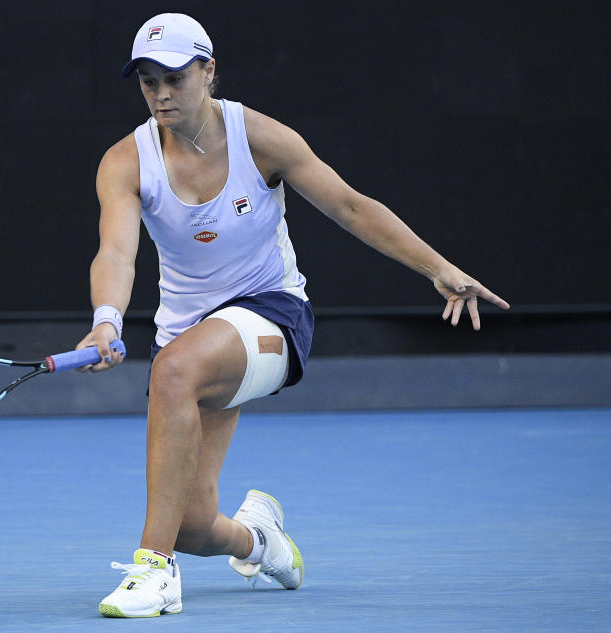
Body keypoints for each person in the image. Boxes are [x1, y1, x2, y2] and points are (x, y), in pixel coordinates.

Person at [76, 13, 510, 618]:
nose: (161, 94)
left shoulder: (261, 138)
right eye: (148, 81)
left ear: (209, 71)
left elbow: (352, 208)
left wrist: (436, 268)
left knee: (174, 373)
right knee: (193, 526)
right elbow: (116, 251)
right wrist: (107, 320)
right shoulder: (126, 161)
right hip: (190, 339)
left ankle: (153, 572)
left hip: (271, 315)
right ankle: (261, 541)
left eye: (174, 77)